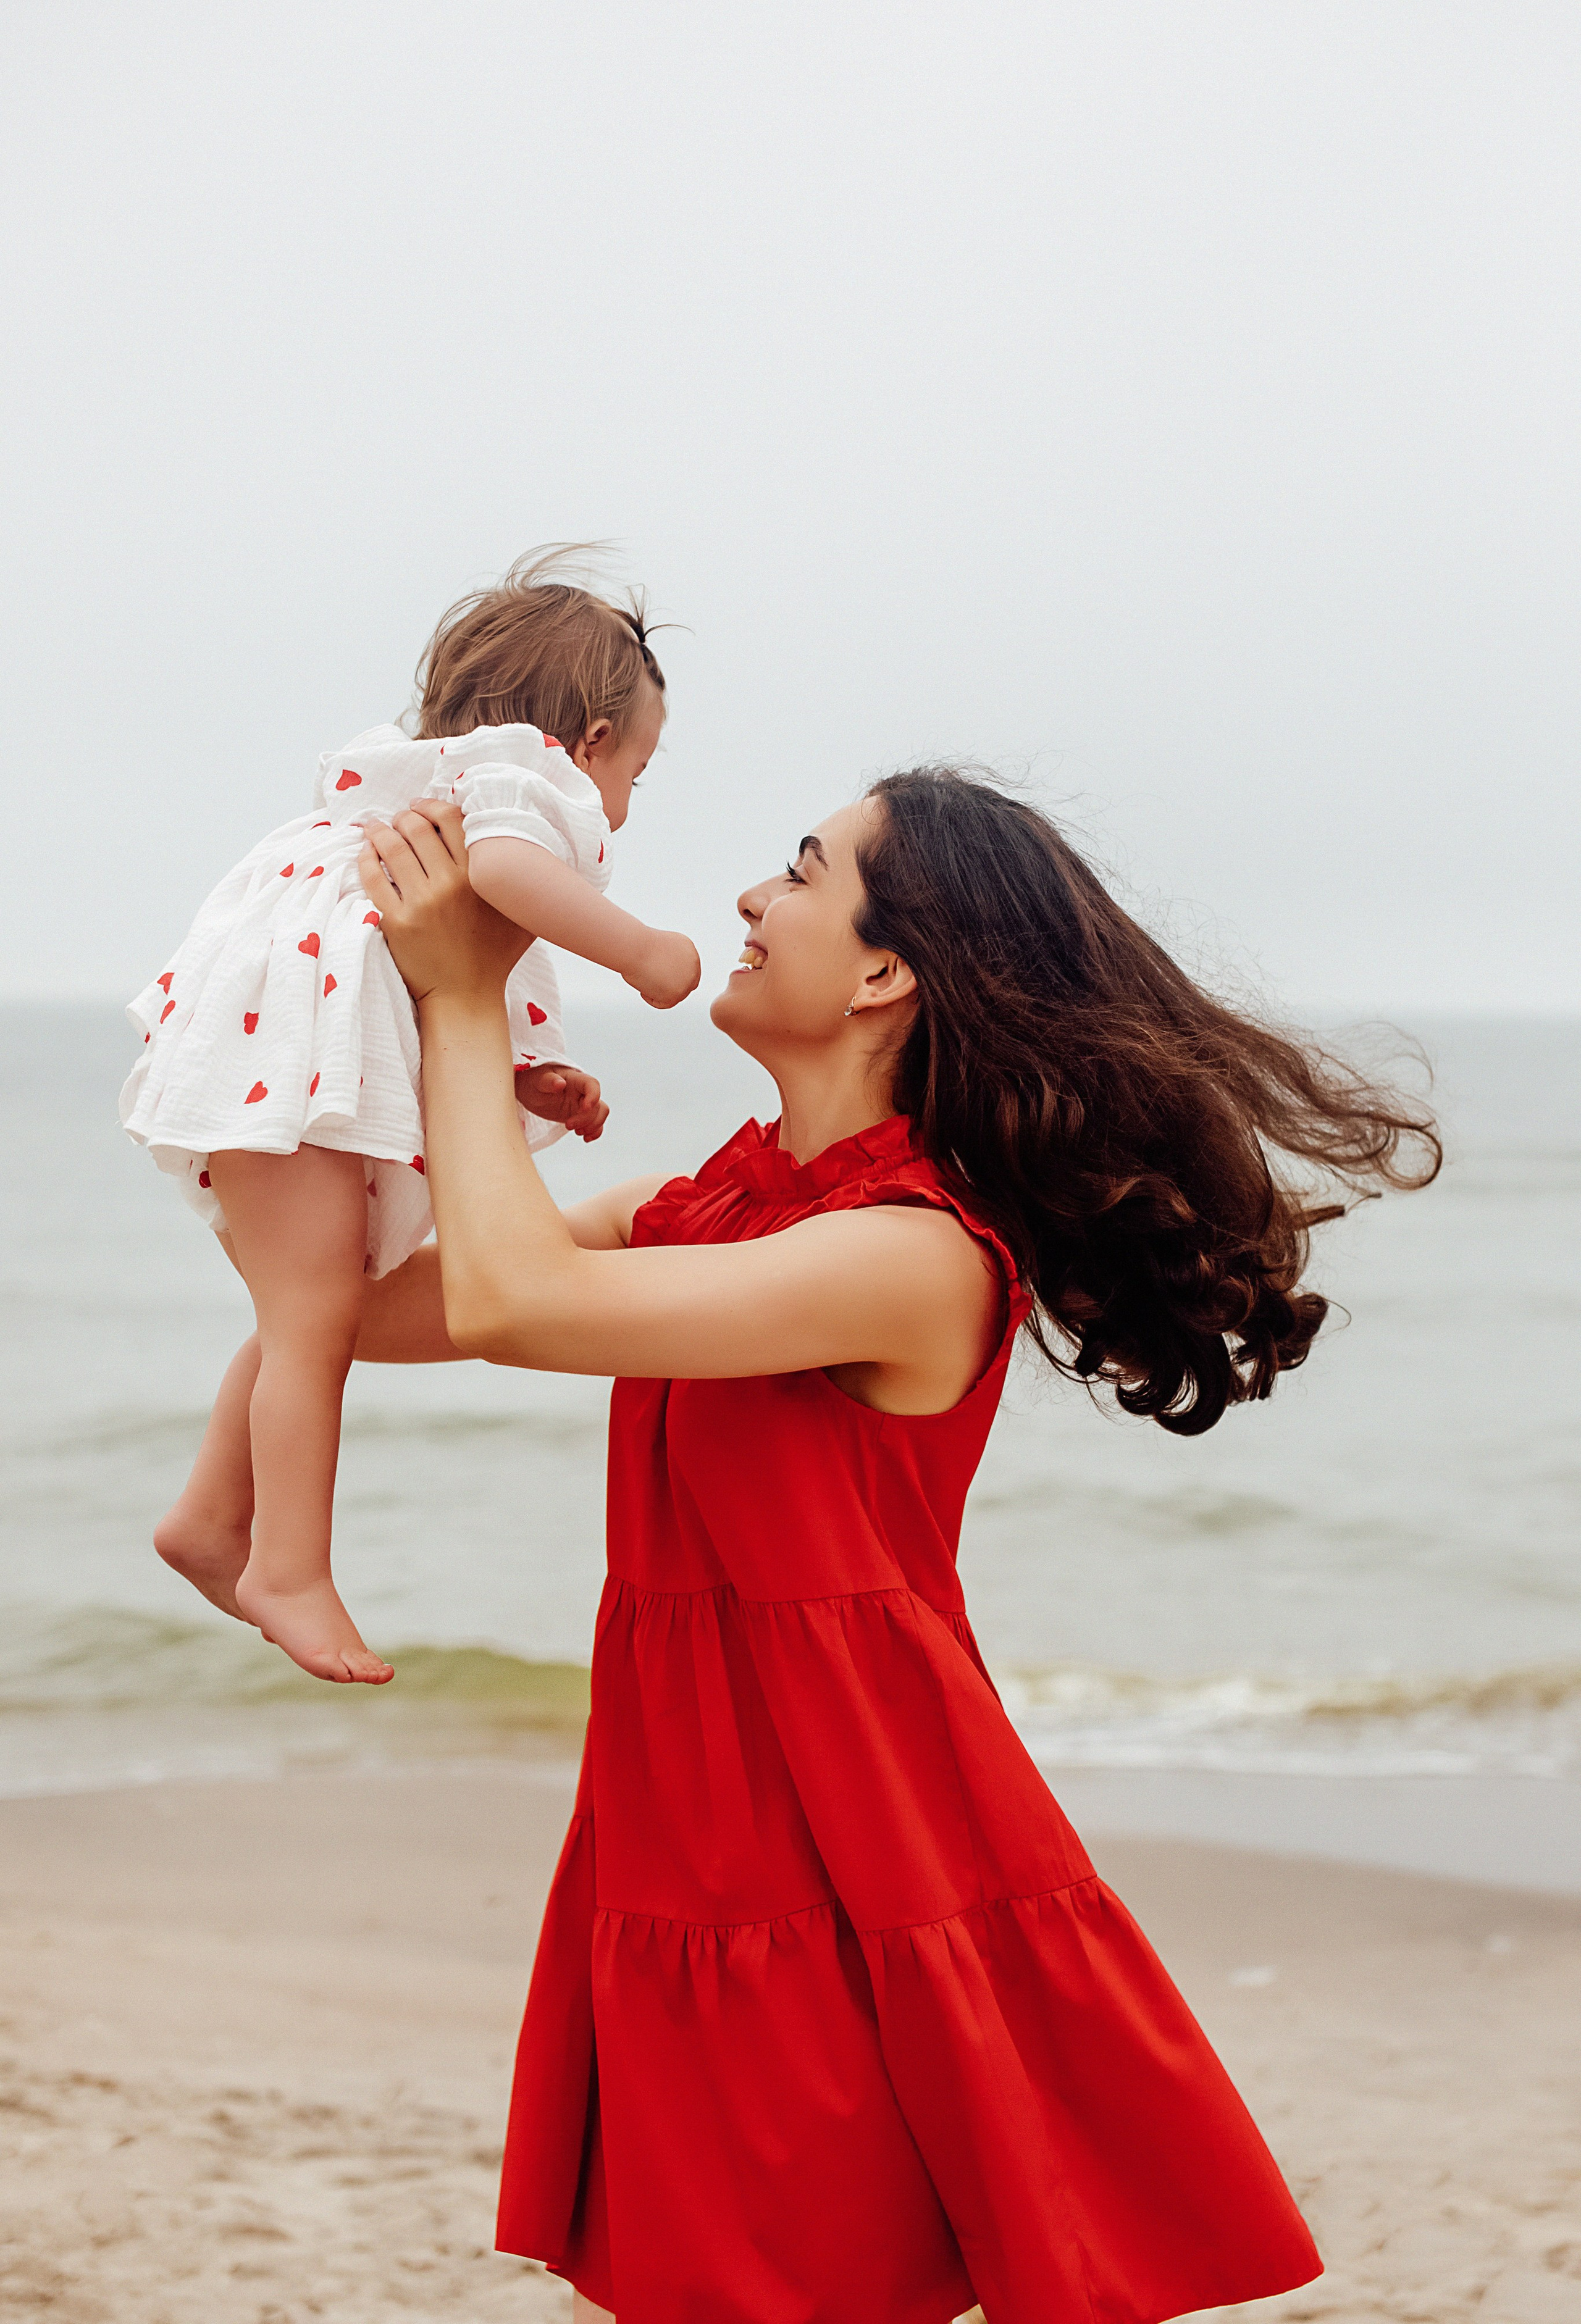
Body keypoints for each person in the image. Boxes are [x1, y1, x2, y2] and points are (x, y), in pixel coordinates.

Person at [354, 767, 1439, 2323]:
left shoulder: (914, 1256)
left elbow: (514, 1302)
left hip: (843, 1850)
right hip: (690, 1830)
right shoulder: (700, 1205)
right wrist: (398, 1062)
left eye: (799, 870)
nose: (746, 897)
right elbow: (387, 1313)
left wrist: (463, 1002)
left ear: (881, 973)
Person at [119, 553, 700, 1685]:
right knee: (311, 1321)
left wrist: (533, 1071)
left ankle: (207, 1520)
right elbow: (511, 881)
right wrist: (643, 953)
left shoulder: (441, 784)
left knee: (311, 1311)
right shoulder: (524, 787)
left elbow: (416, 967)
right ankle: (286, 1565)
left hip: (277, 1052)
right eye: (640, 767)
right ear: (584, 742)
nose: (626, 801)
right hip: (285, 1066)